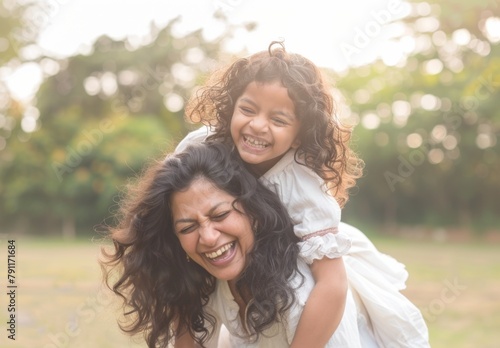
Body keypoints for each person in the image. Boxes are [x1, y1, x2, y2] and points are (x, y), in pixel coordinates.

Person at [175, 41, 430, 347]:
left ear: (300, 136)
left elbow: (332, 285)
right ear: (231, 108)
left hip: (300, 278)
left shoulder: (302, 184)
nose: (257, 125)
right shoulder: (200, 147)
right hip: (238, 269)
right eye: (247, 109)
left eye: (278, 120)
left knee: (306, 301)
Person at [100, 142, 364, 348]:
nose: (209, 238)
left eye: (220, 215)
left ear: (253, 212)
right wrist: (181, 295)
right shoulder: (209, 282)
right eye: (187, 228)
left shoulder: (303, 292)